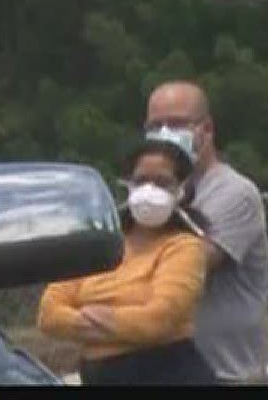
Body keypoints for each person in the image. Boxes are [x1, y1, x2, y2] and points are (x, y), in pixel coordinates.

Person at [38, 138, 219, 385]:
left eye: (162, 182)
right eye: (142, 180)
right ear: (128, 184)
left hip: (167, 373)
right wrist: (112, 322)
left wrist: (100, 318)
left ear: (182, 189)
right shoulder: (98, 243)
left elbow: (160, 320)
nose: (150, 190)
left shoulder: (185, 247)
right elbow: (49, 315)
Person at [144, 80, 268, 383]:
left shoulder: (234, 193)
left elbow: (188, 265)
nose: (164, 133)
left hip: (225, 376)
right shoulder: (150, 194)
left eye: (176, 123)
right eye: (154, 125)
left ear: (207, 129)